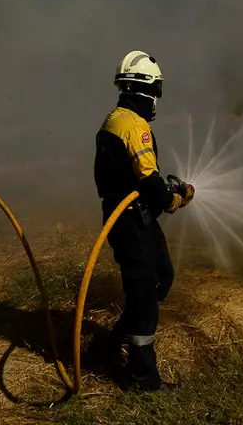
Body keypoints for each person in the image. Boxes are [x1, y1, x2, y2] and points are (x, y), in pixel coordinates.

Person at [93, 51, 195, 392]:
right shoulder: (135, 127)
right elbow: (148, 179)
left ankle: (120, 334)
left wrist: (160, 195)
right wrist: (172, 200)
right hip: (129, 220)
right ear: (146, 90)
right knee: (143, 293)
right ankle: (143, 380)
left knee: (161, 276)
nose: (157, 100)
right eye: (158, 90)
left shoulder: (115, 119)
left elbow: (133, 176)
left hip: (136, 215)